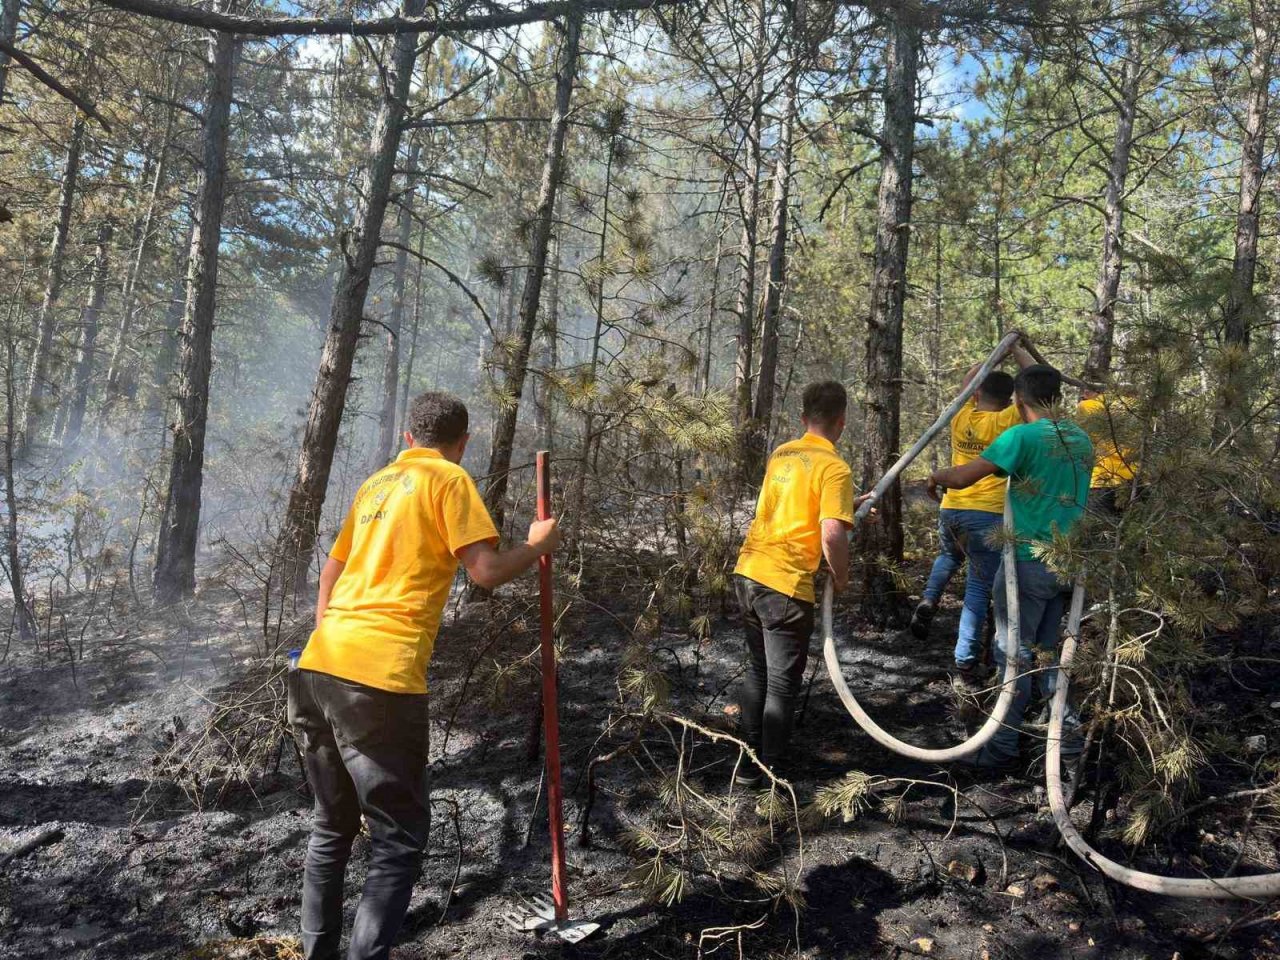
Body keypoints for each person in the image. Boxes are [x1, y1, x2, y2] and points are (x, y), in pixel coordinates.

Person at [289, 391, 560, 960]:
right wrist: (537, 547)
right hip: (378, 678)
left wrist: (333, 640)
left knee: (332, 825)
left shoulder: (376, 484)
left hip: (317, 666)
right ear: (462, 444)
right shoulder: (449, 480)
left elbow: (330, 574)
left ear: (408, 438)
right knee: (397, 835)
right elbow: (484, 571)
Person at [927, 363, 1093, 769]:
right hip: (1071, 565)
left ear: (1020, 402)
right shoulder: (1081, 438)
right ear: (1059, 397)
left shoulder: (1023, 435)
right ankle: (1067, 746)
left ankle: (1001, 750)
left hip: (1027, 562)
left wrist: (935, 476)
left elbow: (966, 477)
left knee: (1012, 656)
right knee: (1054, 655)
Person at [732, 381, 874, 785]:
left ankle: (748, 765)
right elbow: (831, 533)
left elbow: (797, 505)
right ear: (842, 421)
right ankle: (772, 771)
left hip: (750, 572)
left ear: (803, 418)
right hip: (784, 584)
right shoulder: (835, 467)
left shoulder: (784, 452)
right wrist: (842, 576)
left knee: (758, 672)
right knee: (780, 683)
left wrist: (850, 505)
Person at [913, 364, 1020, 694]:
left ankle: (929, 598)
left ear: (976, 393)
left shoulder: (960, 416)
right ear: (1010, 398)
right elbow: (1037, 389)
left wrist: (993, 356)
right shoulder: (1008, 420)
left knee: (948, 556)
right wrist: (1014, 346)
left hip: (952, 508)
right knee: (977, 589)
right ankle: (965, 661)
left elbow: (967, 384)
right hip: (987, 514)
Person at [1077, 387, 1137, 515]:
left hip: (1102, 479)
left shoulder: (1087, 405)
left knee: (1098, 531)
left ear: (1089, 392)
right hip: (1135, 479)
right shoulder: (1136, 406)